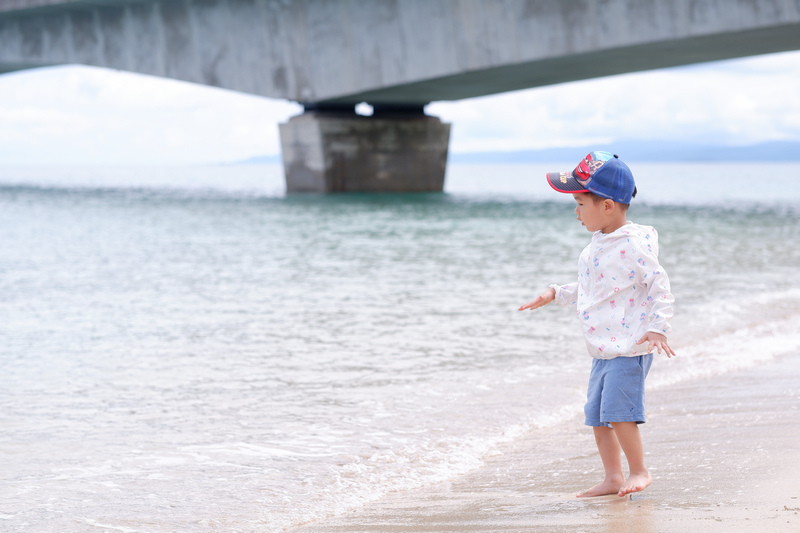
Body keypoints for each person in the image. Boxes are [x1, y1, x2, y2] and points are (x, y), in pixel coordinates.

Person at [519, 151, 675, 498]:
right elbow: (597, 289)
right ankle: (613, 477)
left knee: (620, 414)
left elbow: (659, 284)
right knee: (598, 417)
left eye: (579, 202)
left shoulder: (633, 244)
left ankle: (639, 471)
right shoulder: (599, 244)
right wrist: (556, 293)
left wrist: (658, 327)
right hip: (603, 349)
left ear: (607, 206)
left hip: (630, 346)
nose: (575, 211)